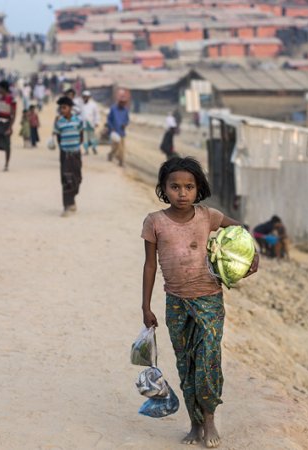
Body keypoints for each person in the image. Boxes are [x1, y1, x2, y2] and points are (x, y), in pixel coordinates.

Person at [140, 156, 259, 448]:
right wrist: (146, 306)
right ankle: (194, 424)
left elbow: (240, 230)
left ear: (198, 188)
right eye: (175, 187)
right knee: (186, 362)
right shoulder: (154, 222)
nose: (182, 193)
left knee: (208, 358)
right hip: (176, 303)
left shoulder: (209, 216)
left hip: (209, 299)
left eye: (189, 187)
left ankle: (209, 418)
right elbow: (150, 266)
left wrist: (250, 255)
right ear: (163, 189)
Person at [53, 97, 83, 217]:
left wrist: (75, 147)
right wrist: (64, 149)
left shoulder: (78, 122)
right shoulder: (59, 123)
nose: (62, 110)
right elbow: (58, 138)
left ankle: (73, 199)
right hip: (65, 154)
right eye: (60, 108)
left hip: (76, 153)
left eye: (64, 107)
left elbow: (81, 136)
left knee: (77, 178)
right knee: (66, 179)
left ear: (70, 108)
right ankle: (67, 206)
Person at [0, 80, 15, 172]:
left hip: (6, 124)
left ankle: (6, 164)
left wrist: (10, 127)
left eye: (0, 88)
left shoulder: (12, 100)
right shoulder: (0, 98)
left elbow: (13, 115)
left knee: (7, 145)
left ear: (4, 88)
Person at [107, 95, 129, 167]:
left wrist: (125, 124)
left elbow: (127, 119)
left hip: (122, 131)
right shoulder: (113, 109)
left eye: (124, 103)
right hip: (115, 131)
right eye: (121, 102)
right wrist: (111, 126)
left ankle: (121, 161)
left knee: (122, 148)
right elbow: (109, 119)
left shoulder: (125, 110)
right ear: (119, 102)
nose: (122, 104)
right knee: (115, 147)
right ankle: (110, 155)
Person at [80, 90, 99, 155]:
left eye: (87, 97)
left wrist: (97, 122)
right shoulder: (81, 105)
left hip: (91, 123)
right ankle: (86, 150)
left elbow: (96, 114)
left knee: (92, 137)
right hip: (84, 124)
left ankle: (94, 148)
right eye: (84, 97)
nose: (85, 98)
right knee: (85, 137)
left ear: (89, 97)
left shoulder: (93, 105)